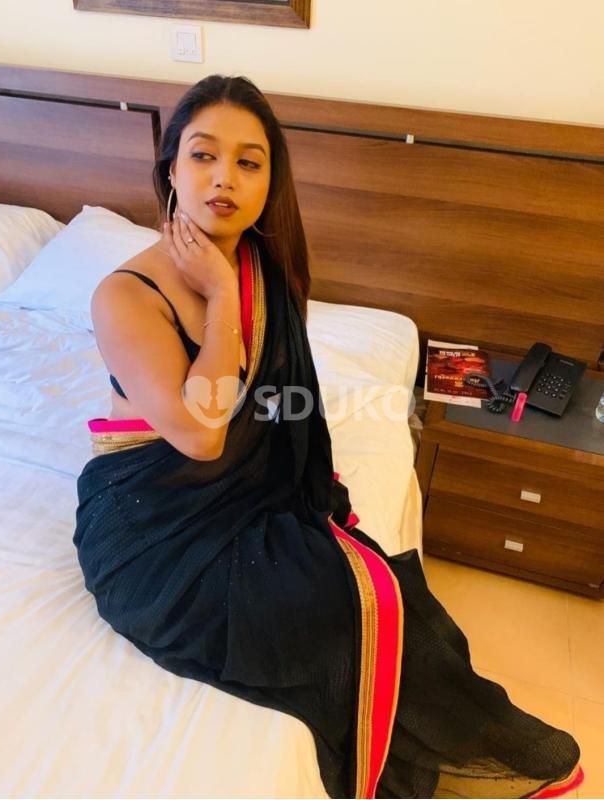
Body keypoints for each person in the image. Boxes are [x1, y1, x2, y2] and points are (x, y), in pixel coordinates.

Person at [73, 74, 583, 799]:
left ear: (271, 182)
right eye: (203, 155)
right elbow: (203, 436)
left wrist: (306, 483)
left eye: (249, 162)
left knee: (391, 593)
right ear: (170, 168)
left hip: (243, 498)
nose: (224, 178)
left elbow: (284, 403)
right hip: (154, 532)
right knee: (346, 605)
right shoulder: (126, 296)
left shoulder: (262, 265)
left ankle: (468, 740)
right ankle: (449, 752)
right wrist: (218, 297)